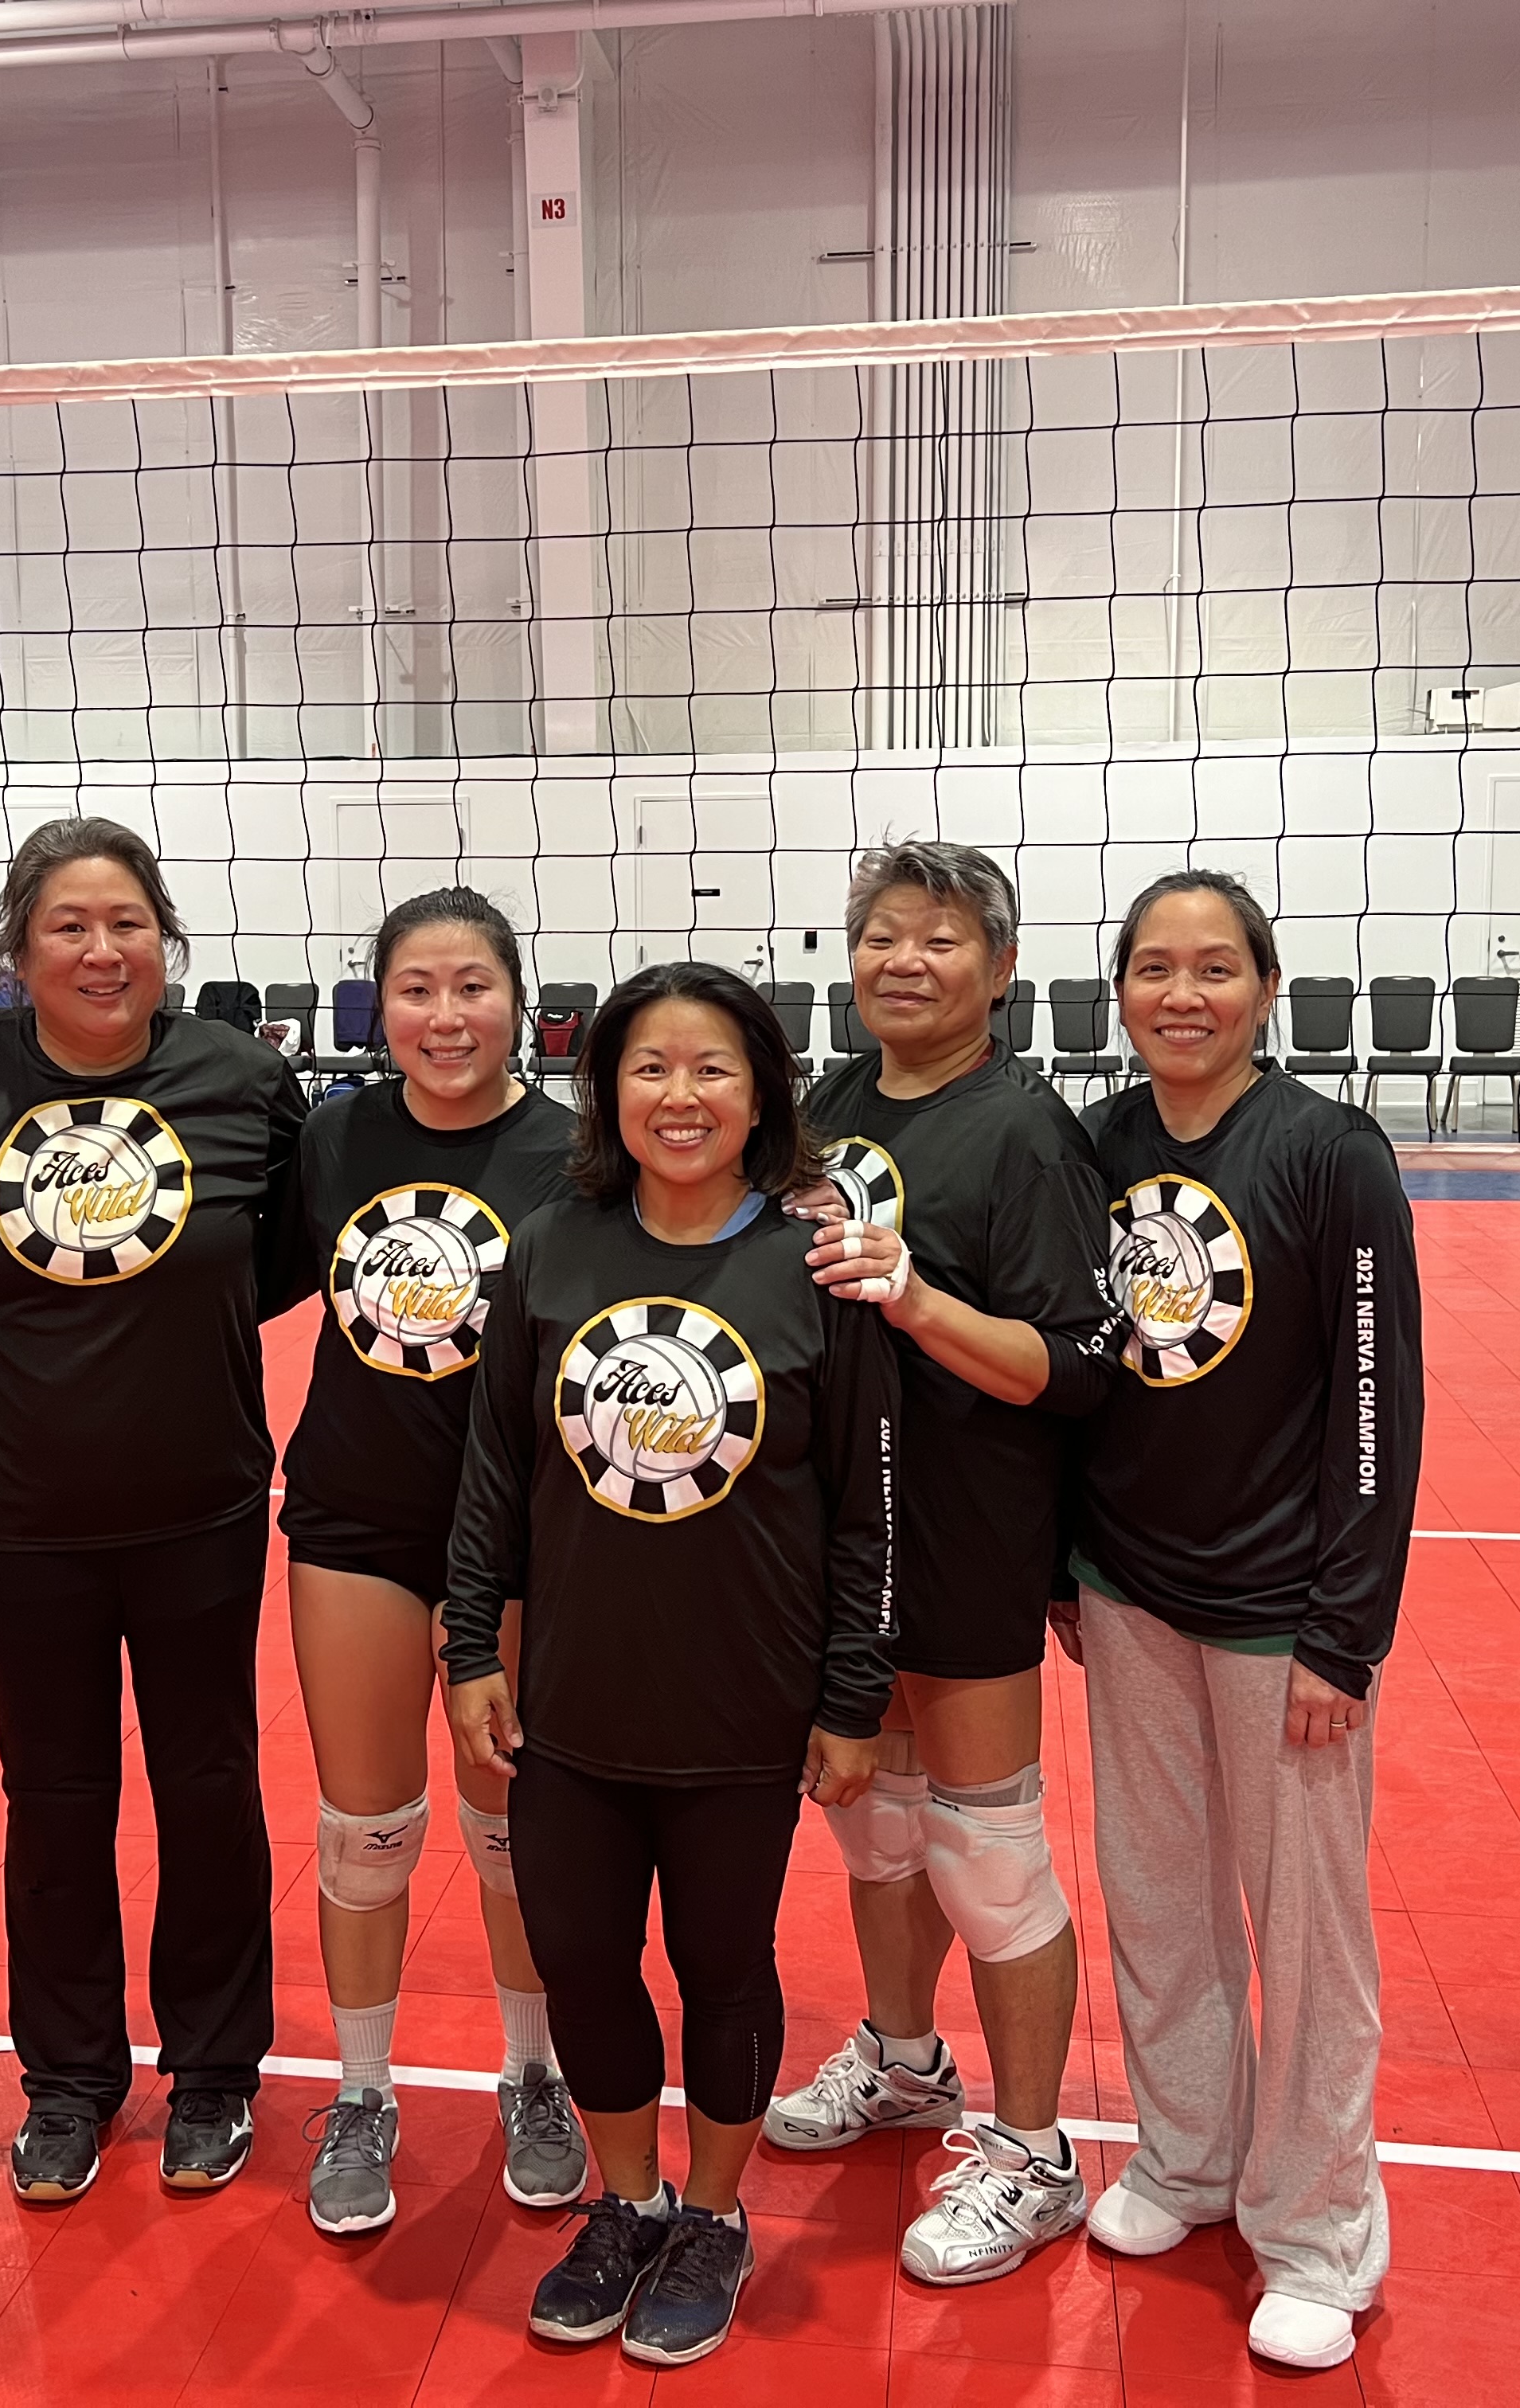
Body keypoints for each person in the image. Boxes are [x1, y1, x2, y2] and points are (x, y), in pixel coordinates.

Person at [443, 961, 899, 2371]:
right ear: (608, 1090)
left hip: (742, 1702)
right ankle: (629, 2200)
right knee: (581, 1956)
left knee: (720, 1962)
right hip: (575, 1698)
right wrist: (469, 1643)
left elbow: (868, 1507)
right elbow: (493, 1470)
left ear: (762, 1091)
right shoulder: (551, 1247)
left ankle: (713, 2215)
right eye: (650, 1066)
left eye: (713, 1067)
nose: (680, 1095)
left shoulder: (815, 1266)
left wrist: (852, 1695)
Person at [0, 815, 310, 2206]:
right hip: (18, 1516)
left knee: (209, 1784)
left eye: (127, 921)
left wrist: (171, 1312)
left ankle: (215, 2067)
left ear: (164, 936)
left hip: (199, 1501)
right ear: (17, 945)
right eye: (68, 924)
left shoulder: (242, 1077)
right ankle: (68, 2079)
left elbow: (286, 1252)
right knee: (55, 1797)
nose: (102, 949)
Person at [1068, 870, 1423, 2375]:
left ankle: (1320, 2231)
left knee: (1308, 1930)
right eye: (1155, 967)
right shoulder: (1096, 1144)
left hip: (1285, 1612)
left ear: (1266, 989)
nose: (1183, 994)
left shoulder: (1331, 1153)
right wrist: (1065, 1563)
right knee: (1157, 1898)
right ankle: (1188, 2158)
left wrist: (1349, 1626)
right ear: (1120, 992)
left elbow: (1376, 1398)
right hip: (1127, 1589)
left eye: (1216, 967)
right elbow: (1077, 1366)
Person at [767, 841, 1118, 2287]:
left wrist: (916, 1300)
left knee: (987, 1849)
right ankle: (906, 2060)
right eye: (882, 936)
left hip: (967, 1528)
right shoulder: (826, 1107)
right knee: (878, 1827)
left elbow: (1075, 1367)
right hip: (841, 1532)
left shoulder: (1025, 1132)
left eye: (941, 938)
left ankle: (1034, 2151)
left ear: (1001, 966)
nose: (904, 961)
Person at [274, 889, 588, 2235]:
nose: (445, 1015)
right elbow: (238, 1277)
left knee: (513, 1822)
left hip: (515, 1537)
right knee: (367, 1830)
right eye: (416, 988)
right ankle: (362, 2092)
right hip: (355, 1518)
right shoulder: (332, 1136)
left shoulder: (574, 1155)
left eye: (472, 986)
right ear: (379, 1005)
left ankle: (535, 2072)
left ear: (518, 1000)